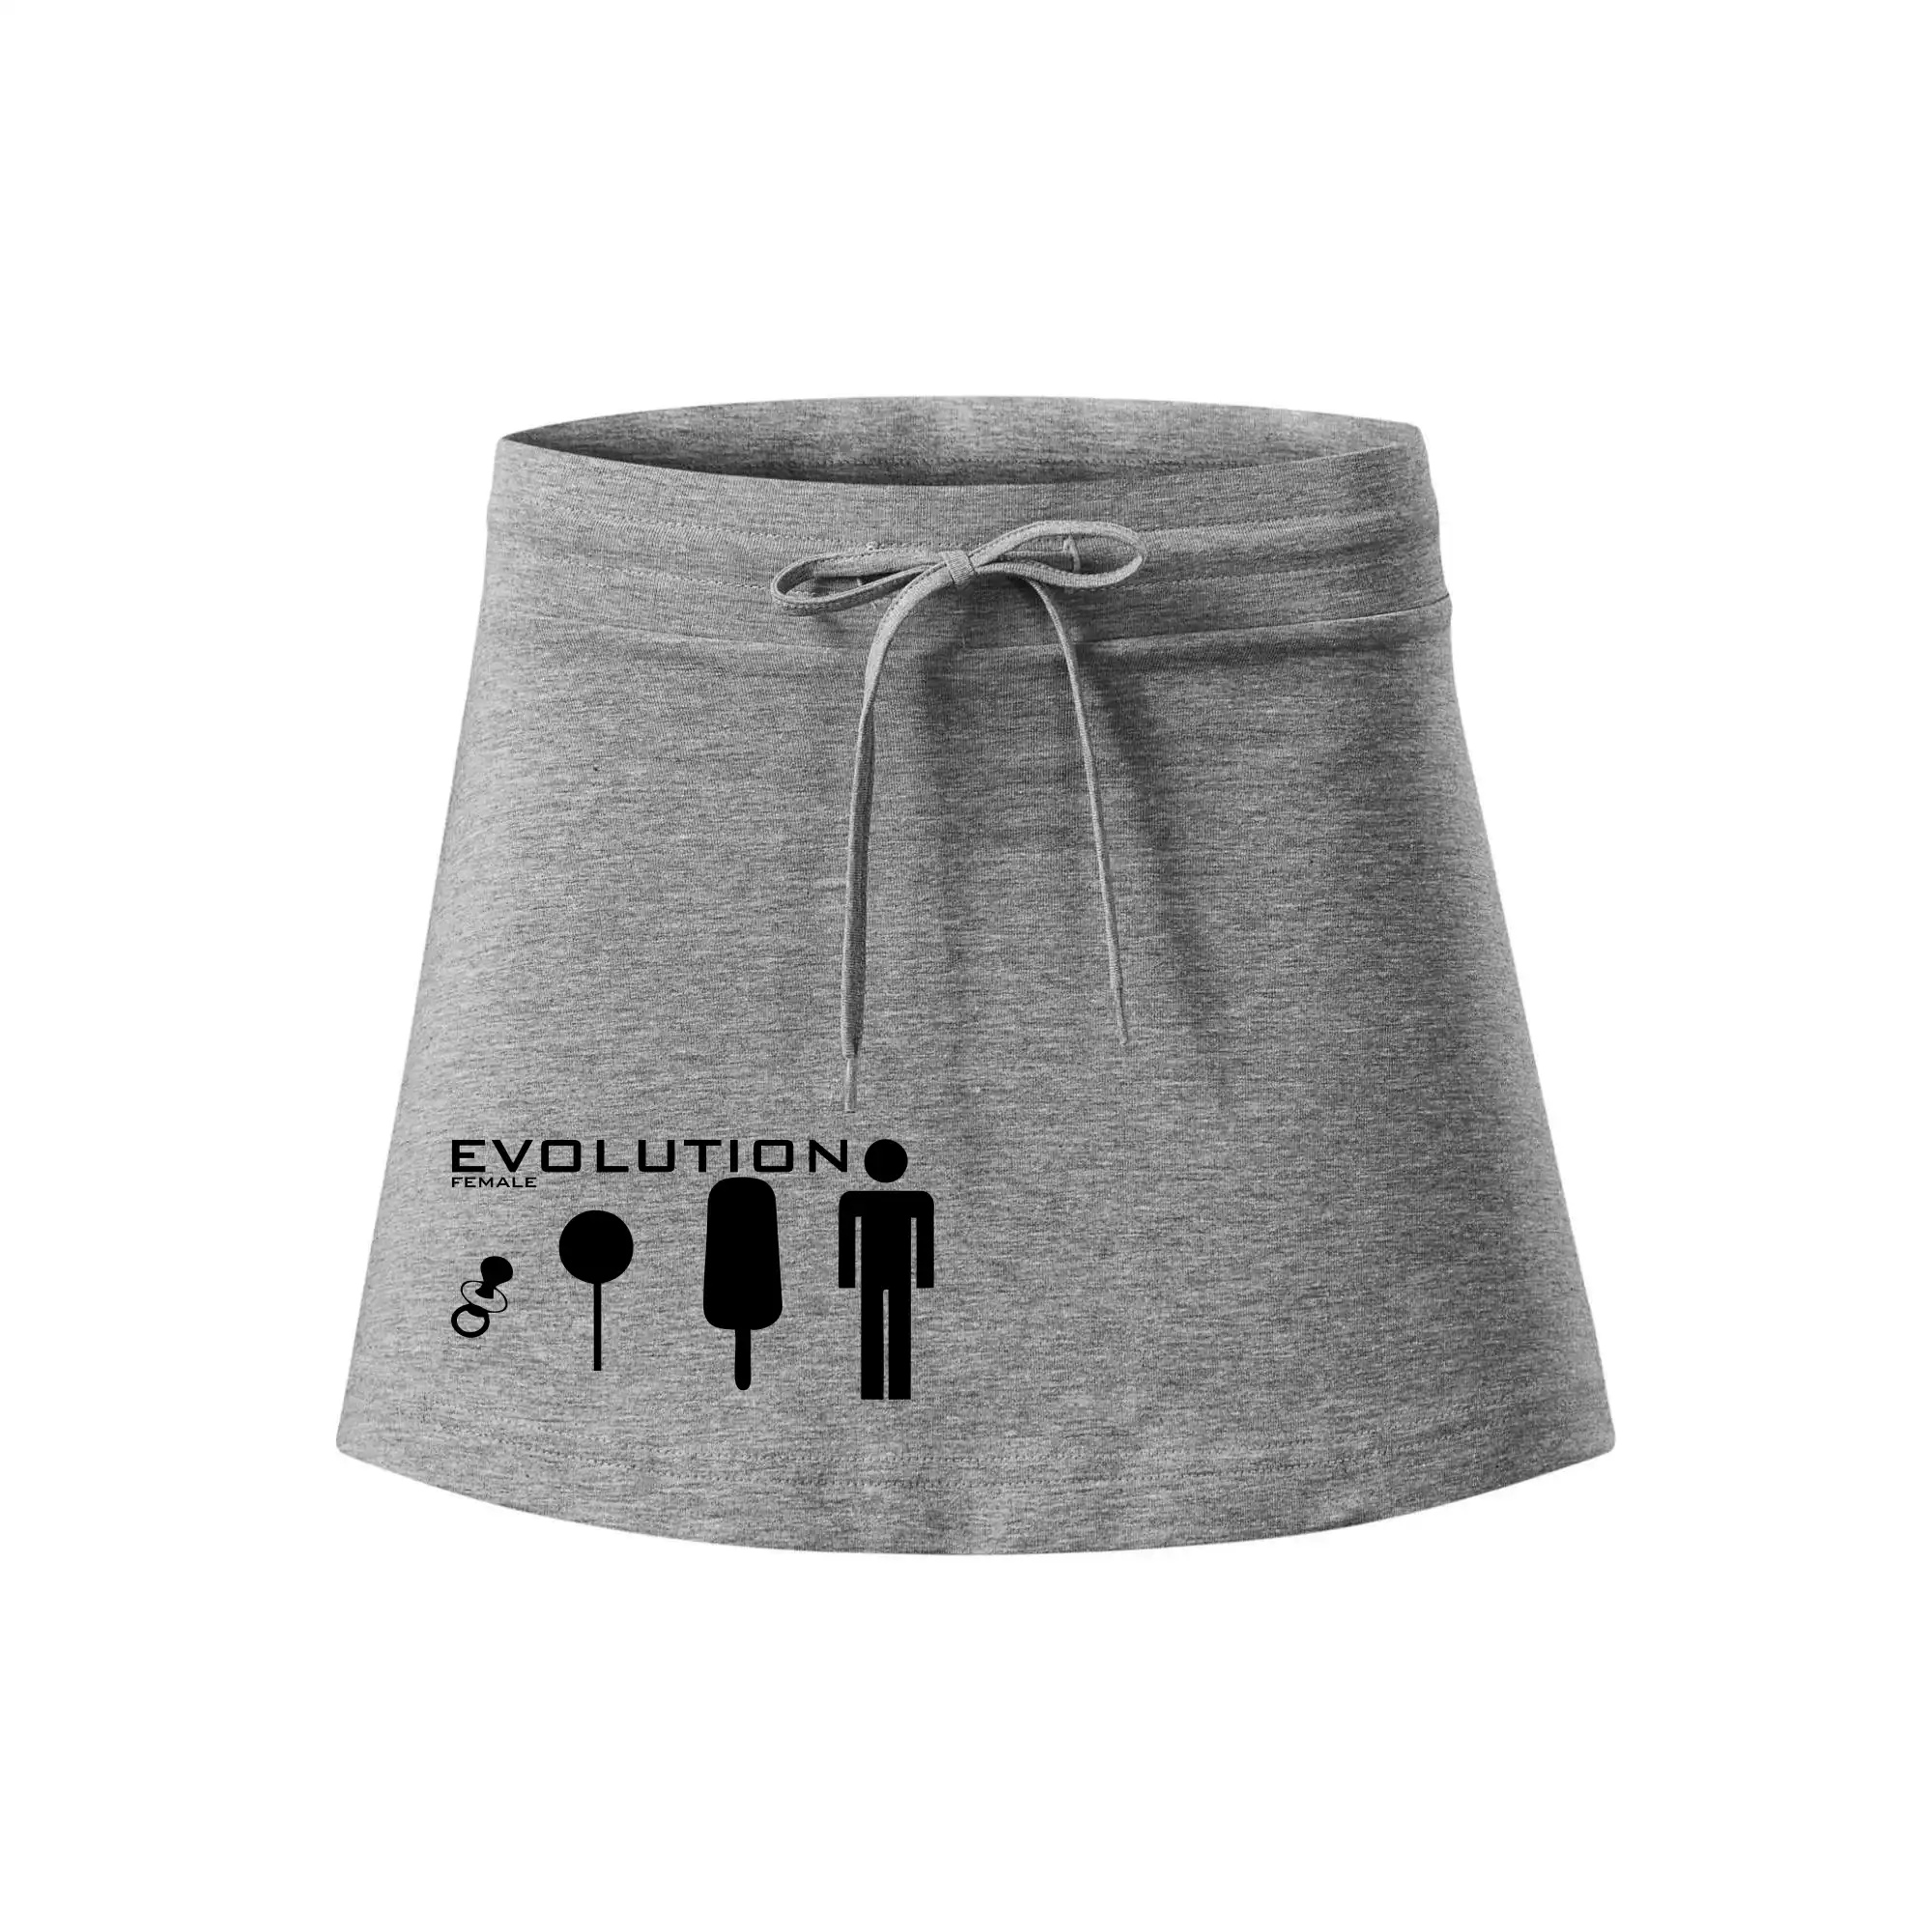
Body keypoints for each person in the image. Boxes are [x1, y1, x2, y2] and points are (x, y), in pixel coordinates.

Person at [838, 1139, 934, 1400]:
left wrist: (847, 1278)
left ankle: (892, 1388)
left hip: (887, 1271)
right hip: (885, 1272)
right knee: (881, 1326)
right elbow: (847, 1238)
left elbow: (924, 1237)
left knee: (892, 1326)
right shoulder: (855, 1200)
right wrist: (924, 1277)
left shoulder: (916, 1200)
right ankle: (879, 1388)